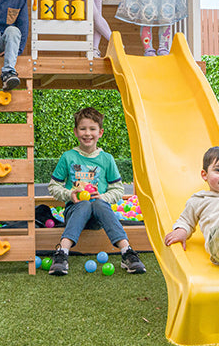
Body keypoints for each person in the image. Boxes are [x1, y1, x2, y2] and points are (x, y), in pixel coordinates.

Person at [48, 107, 146, 275]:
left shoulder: (106, 159)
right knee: (85, 204)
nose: (87, 133)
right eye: (83, 128)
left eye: (92, 129)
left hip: (100, 216)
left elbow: (117, 189)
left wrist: (103, 197)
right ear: (75, 131)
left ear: (100, 132)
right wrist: (69, 194)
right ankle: (62, 253)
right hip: (76, 212)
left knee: (99, 204)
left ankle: (127, 252)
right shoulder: (68, 157)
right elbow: (53, 186)